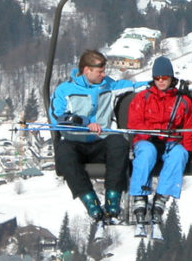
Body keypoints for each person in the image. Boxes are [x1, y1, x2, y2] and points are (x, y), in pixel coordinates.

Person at [50, 49, 146, 223]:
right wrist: (85, 123)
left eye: (104, 71)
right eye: (100, 71)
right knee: (63, 151)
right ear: (87, 70)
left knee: (118, 143)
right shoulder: (65, 90)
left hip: (101, 141)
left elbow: (135, 86)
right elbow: (58, 117)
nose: (103, 75)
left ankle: (113, 199)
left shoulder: (108, 85)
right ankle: (90, 201)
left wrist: (160, 82)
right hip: (75, 141)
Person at [127, 56, 192, 226]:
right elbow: (134, 123)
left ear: (171, 78)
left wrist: (188, 150)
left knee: (178, 154)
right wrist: (149, 134)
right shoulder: (143, 98)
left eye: (164, 78)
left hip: (170, 142)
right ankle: (140, 195)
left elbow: (189, 127)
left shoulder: (182, 101)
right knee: (146, 153)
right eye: (157, 78)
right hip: (147, 140)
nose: (160, 81)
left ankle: (161, 198)